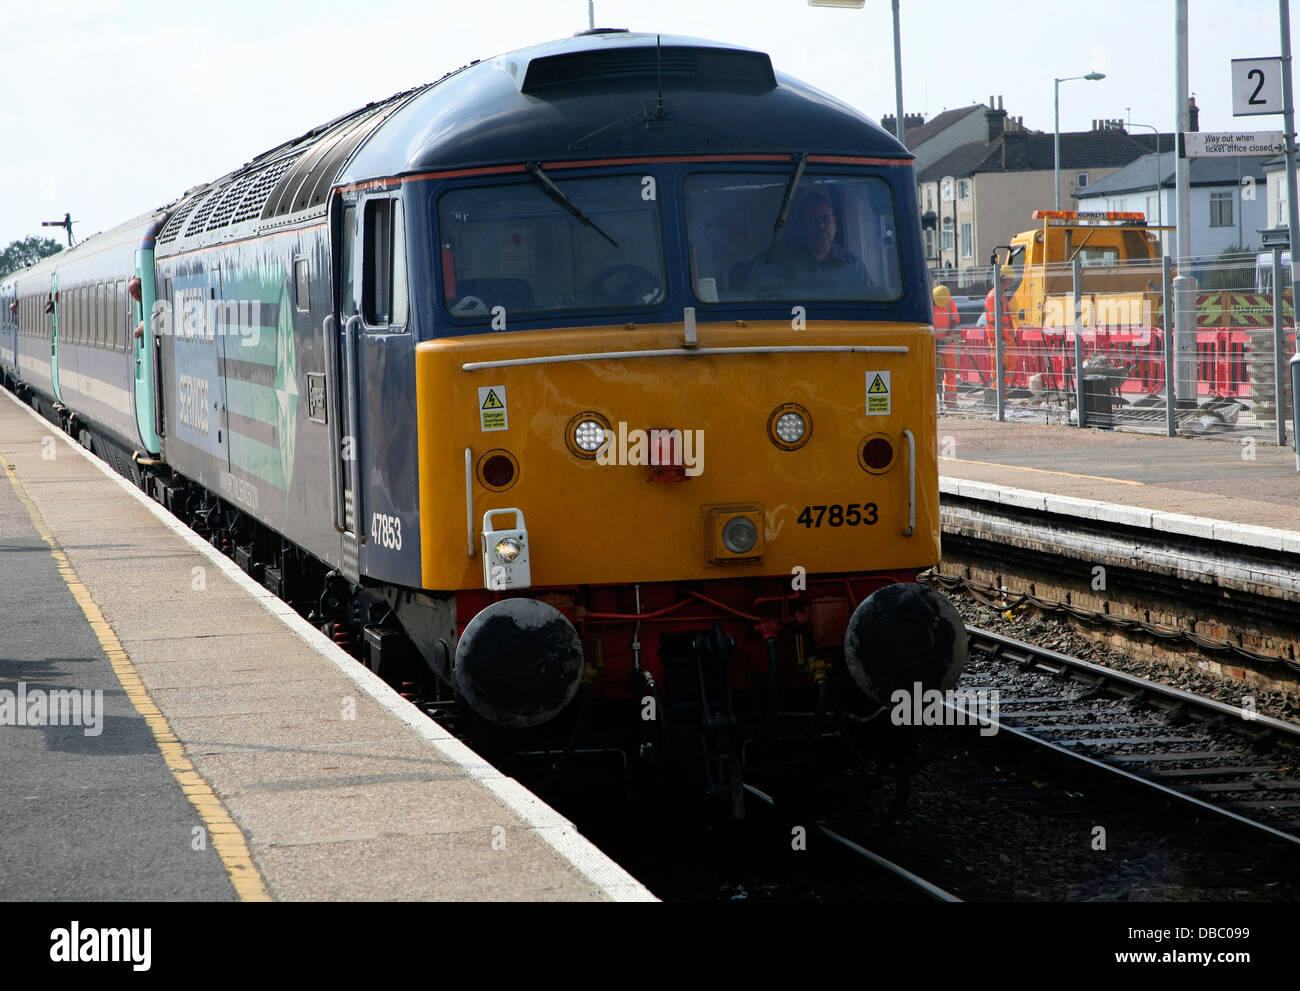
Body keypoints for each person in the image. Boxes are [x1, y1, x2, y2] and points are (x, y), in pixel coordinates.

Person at [762, 193, 869, 296]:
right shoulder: (777, 259)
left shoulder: (853, 267)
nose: (821, 225)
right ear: (801, 226)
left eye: (826, 219)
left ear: (835, 222)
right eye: (812, 220)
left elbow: (870, 305)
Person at [984, 264, 1019, 386]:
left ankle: (1001, 394)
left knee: (1008, 365)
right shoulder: (994, 296)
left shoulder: (1001, 295)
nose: (1012, 281)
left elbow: (1005, 318)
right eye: (1010, 278)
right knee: (999, 368)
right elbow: (994, 321)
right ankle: (997, 394)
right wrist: (1000, 340)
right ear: (1003, 279)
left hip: (1005, 337)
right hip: (1000, 339)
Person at [932, 285, 960, 408]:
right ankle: (932, 402)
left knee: (951, 370)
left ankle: (950, 401)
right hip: (931, 342)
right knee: (931, 372)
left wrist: (948, 335)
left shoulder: (949, 302)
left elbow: (955, 320)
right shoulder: (928, 303)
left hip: (947, 342)